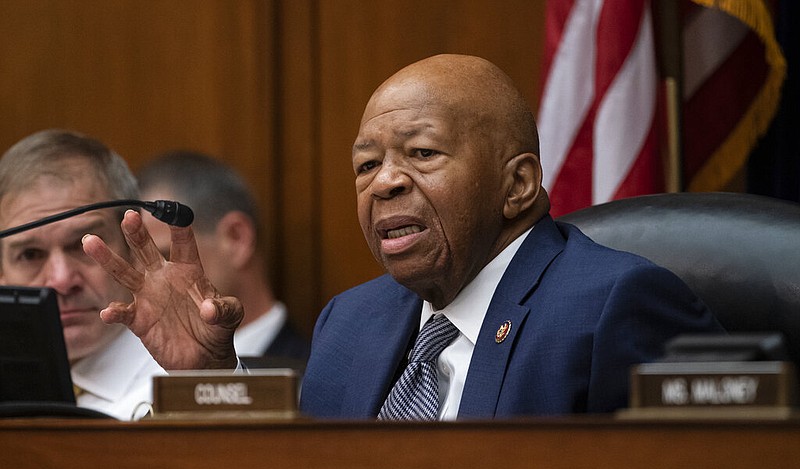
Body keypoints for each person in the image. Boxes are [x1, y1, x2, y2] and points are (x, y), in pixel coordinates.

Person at [81, 54, 724, 420]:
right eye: (366, 164)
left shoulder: (614, 305)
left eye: (421, 153)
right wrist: (212, 378)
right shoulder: (351, 322)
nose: (384, 183)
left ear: (518, 185)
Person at [0, 129, 166, 420]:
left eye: (83, 245)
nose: (61, 281)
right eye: (30, 255)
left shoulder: (188, 381)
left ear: (135, 245)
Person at [136, 151, 310, 372]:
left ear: (237, 238)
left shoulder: (312, 377)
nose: (153, 285)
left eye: (166, 258)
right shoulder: (137, 372)